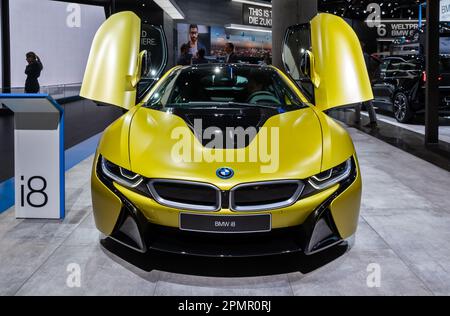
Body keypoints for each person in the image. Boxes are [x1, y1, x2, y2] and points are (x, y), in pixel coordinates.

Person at [354, 42, 378, 128]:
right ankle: (357, 119)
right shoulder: (362, 56)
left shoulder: (363, 56)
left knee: (367, 102)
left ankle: (373, 121)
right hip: (362, 81)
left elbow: (365, 69)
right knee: (360, 101)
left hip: (363, 81)